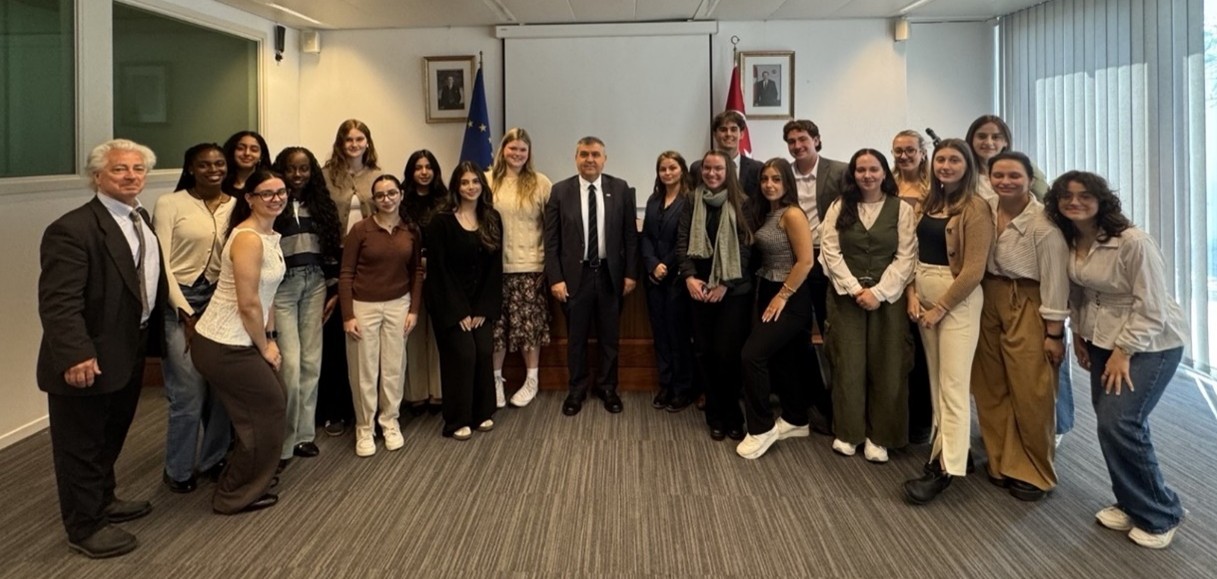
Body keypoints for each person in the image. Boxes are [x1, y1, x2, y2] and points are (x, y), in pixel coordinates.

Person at [1044, 171, 1189, 548]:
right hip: (1099, 339)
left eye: (1084, 196)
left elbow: (1153, 307)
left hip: (1151, 342)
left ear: (1102, 200)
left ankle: (1160, 513)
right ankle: (1132, 500)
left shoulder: (1133, 242)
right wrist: (1078, 334)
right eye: (1066, 197)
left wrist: (1123, 351)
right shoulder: (1072, 239)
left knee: (1120, 421)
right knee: (1112, 425)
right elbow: (1078, 293)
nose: (1074, 202)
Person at [38, 139, 163, 558]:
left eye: (138, 169)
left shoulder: (139, 218)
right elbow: (59, 301)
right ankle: (85, 527)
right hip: (87, 357)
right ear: (96, 177)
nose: (131, 176)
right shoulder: (72, 229)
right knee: (81, 446)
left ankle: (104, 500)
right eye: (119, 170)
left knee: (109, 436)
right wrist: (74, 353)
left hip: (127, 350)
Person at [971, 151, 1069, 502]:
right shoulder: (985, 210)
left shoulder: (1044, 224)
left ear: (1030, 179)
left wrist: (1054, 334)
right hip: (988, 297)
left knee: (1032, 390)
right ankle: (1000, 461)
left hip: (1028, 300)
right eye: (999, 175)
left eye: (1014, 176)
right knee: (990, 386)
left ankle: (1035, 471)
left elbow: (1057, 284)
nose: (1006, 182)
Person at [190, 169, 288, 515]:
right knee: (267, 411)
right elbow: (248, 304)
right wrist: (265, 348)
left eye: (281, 192)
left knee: (270, 407)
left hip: (244, 339)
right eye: (267, 193)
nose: (276, 198)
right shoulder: (247, 238)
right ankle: (233, 494)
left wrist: (271, 338)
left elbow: (268, 295)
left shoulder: (269, 235)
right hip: (224, 343)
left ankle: (251, 478)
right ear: (250, 199)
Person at [902, 138, 994, 504]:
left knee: (953, 386)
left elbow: (973, 270)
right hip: (923, 294)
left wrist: (940, 307)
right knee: (936, 382)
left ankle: (944, 468)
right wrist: (911, 294)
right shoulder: (929, 202)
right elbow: (912, 252)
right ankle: (952, 451)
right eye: (941, 160)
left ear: (967, 165)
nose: (946, 166)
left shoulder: (976, 208)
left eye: (955, 160)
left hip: (956, 300)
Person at [819, 149, 916, 463]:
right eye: (861, 170)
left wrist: (879, 292)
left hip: (888, 300)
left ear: (884, 173)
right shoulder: (839, 206)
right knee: (847, 363)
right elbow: (830, 252)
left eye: (874, 169)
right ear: (853, 174)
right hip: (846, 298)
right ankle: (848, 432)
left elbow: (906, 257)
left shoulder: (901, 209)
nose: (867, 175)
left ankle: (880, 437)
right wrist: (854, 288)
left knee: (888, 365)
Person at [153, 143, 234, 494]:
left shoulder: (235, 204)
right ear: (190, 168)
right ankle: (178, 469)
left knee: (220, 390)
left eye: (219, 163)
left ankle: (214, 459)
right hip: (180, 300)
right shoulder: (170, 204)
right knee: (187, 391)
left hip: (220, 301)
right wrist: (184, 312)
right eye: (204, 164)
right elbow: (162, 265)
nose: (213, 169)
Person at [543, 137, 639, 417]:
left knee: (610, 336)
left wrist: (631, 274)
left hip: (610, 274)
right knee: (577, 337)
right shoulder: (560, 192)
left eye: (595, 154)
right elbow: (551, 242)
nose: (590, 159)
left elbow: (630, 237)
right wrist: (555, 278)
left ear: (604, 159)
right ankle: (577, 389)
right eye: (584, 154)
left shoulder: (620, 188)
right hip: (575, 277)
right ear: (576, 158)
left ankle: (608, 387)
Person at [736, 158, 815, 459]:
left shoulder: (793, 214)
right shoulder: (769, 213)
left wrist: (783, 295)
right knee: (784, 358)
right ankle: (796, 418)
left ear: (787, 183)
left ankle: (761, 428)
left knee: (752, 355)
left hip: (790, 295)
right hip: (769, 288)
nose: (769, 184)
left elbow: (805, 261)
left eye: (777, 179)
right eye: (765, 179)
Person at [340, 175, 424, 455]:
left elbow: (416, 273)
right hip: (363, 307)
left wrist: (413, 309)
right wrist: (348, 315)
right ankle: (364, 428)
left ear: (401, 194)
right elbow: (346, 274)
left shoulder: (411, 230)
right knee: (364, 371)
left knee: (393, 369)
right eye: (380, 195)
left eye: (391, 193)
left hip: (399, 305)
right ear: (373, 200)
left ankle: (389, 421)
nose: (386, 199)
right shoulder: (360, 230)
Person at [270, 147, 343, 464]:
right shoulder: (273, 202)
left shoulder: (321, 205)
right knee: (290, 366)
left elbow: (329, 250)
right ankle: (283, 442)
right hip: (282, 288)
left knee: (312, 363)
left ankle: (303, 436)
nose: (297, 175)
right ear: (281, 171)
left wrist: (333, 288)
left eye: (303, 169)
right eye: (291, 169)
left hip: (315, 285)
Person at [677, 151, 754, 441]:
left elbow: (747, 248)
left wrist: (725, 284)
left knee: (727, 354)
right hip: (699, 289)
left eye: (718, 168)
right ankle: (715, 415)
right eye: (707, 168)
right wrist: (689, 277)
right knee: (705, 352)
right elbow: (683, 241)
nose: (711, 173)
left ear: (728, 172)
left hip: (732, 292)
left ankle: (732, 413)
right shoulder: (691, 200)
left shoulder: (742, 203)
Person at [426, 163, 503, 439]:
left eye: (475, 182)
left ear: (482, 185)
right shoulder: (441, 221)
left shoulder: (492, 218)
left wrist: (482, 308)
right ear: (456, 187)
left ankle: (482, 412)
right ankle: (457, 419)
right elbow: (439, 270)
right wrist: (459, 311)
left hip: (481, 304)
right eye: (465, 182)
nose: (471, 187)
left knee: (483, 351)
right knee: (463, 354)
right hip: (449, 304)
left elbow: (495, 268)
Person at [783, 118, 848, 433]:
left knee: (831, 331)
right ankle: (813, 398)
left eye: (802, 140)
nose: (797, 146)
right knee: (797, 334)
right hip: (793, 261)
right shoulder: (784, 174)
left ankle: (840, 406)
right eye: (792, 141)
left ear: (816, 140)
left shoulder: (839, 171)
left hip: (828, 261)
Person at [486, 128, 554, 408]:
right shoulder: (486, 180)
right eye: (512, 148)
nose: (517, 154)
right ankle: (496, 381)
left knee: (529, 328)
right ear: (503, 150)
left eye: (522, 150)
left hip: (531, 266)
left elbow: (552, 228)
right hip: (494, 268)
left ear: (529, 153)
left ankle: (531, 381)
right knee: (496, 329)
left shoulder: (541, 183)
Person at [642, 152, 696, 412]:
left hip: (677, 278)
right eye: (662, 169)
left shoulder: (690, 200)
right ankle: (666, 384)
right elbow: (646, 237)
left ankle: (682, 388)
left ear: (682, 170)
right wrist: (653, 264)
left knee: (679, 336)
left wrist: (666, 264)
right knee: (660, 334)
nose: (667, 173)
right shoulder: (653, 201)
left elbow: (685, 241)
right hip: (654, 279)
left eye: (672, 168)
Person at [892, 129, 934, 444]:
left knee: (922, 354)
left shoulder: (935, 187)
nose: (904, 156)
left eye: (910, 150)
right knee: (898, 351)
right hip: (891, 270)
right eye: (898, 151)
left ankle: (923, 419)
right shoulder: (887, 184)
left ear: (922, 151)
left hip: (924, 270)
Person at [401, 150, 448, 415]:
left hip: (439, 273)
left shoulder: (445, 201)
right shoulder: (401, 201)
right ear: (410, 171)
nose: (423, 172)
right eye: (418, 167)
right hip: (408, 273)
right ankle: (417, 393)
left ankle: (439, 392)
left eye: (428, 166)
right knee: (414, 333)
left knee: (438, 332)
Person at [964, 115, 1049, 201]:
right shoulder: (962, 172)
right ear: (971, 139)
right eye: (982, 136)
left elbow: (1045, 199)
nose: (988, 142)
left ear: (1006, 142)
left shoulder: (1025, 166)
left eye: (995, 137)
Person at [325, 119, 383, 234]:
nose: (354, 144)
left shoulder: (377, 176)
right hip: (336, 245)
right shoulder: (326, 176)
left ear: (367, 143)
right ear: (340, 144)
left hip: (370, 244)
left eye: (359, 139)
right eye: (348, 140)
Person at [690, 111, 764, 198]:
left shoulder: (757, 168)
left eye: (733, 129)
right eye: (723, 129)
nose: (728, 134)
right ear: (715, 134)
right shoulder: (697, 168)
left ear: (742, 134)